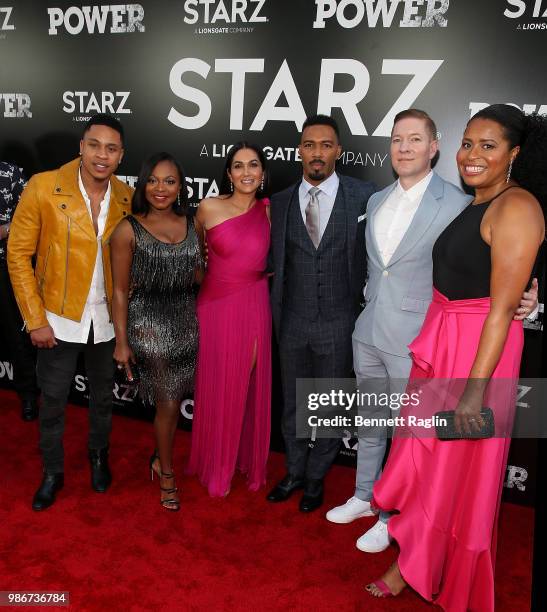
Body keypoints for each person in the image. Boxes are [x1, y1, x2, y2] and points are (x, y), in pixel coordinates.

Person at [326, 109, 539, 550]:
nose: (404, 147)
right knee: (370, 421)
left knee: (409, 438)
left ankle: (391, 516)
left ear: (434, 146)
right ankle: (365, 495)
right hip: (368, 329)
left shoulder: (463, 202)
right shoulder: (375, 199)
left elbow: (491, 265)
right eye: (397, 139)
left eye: (415, 139)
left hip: (421, 340)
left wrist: (529, 296)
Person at [7, 114, 133, 510]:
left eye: (111, 148)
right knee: (55, 400)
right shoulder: (44, 187)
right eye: (95, 144)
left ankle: (99, 456)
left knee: (102, 398)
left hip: (106, 320)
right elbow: (17, 255)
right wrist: (36, 318)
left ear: (121, 155)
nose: (102, 155)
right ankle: (52, 472)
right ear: (81, 146)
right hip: (57, 320)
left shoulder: (127, 196)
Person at [266, 115, 376, 512]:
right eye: (310, 145)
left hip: (339, 320)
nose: (317, 153)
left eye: (325, 145)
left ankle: (316, 478)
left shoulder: (364, 196)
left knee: (328, 404)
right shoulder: (278, 202)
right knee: (293, 402)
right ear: (299, 151)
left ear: (338, 151)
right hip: (292, 320)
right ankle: (294, 471)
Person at [111, 152, 202, 511]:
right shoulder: (126, 230)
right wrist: (121, 342)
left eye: (169, 181)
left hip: (186, 319)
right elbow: (119, 290)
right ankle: (167, 473)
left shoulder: (194, 225)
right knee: (167, 401)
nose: (160, 188)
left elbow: (199, 276)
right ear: (142, 184)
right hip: (147, 321)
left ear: (180, 187)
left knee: (173, 400)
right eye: (153, 180)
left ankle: (157, 455)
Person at [187, 141, 271, 497]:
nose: (246, 172)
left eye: (253, 165)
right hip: (215, 305)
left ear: (262, 174)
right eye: (239, 166)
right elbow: (194, 258)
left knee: (245, 381)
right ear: (228, 173)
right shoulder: (208, 207)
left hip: (253, 303)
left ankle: (240, 459)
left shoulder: (269, 212)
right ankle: (215, 462)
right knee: (218, 382)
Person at [0, 161, 39, 420]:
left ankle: (28, 396)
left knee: (16, 333)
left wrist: (4, 229)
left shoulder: (11, 173)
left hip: (6, 265)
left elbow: (32, 216)